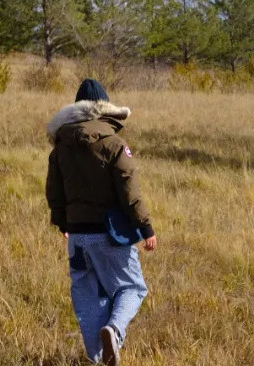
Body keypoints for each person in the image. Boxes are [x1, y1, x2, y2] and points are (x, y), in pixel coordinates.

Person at [46, 78, 157, 366]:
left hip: (78, 237)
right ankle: (114, 331)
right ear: (106, 109)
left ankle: (97, 359)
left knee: (89, 297)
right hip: (112, 234)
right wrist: (146, 227)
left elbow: (54, 192)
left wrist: (64, 225)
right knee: (132, 288)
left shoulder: (60, 147)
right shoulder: (114, 144)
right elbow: (129, 189)